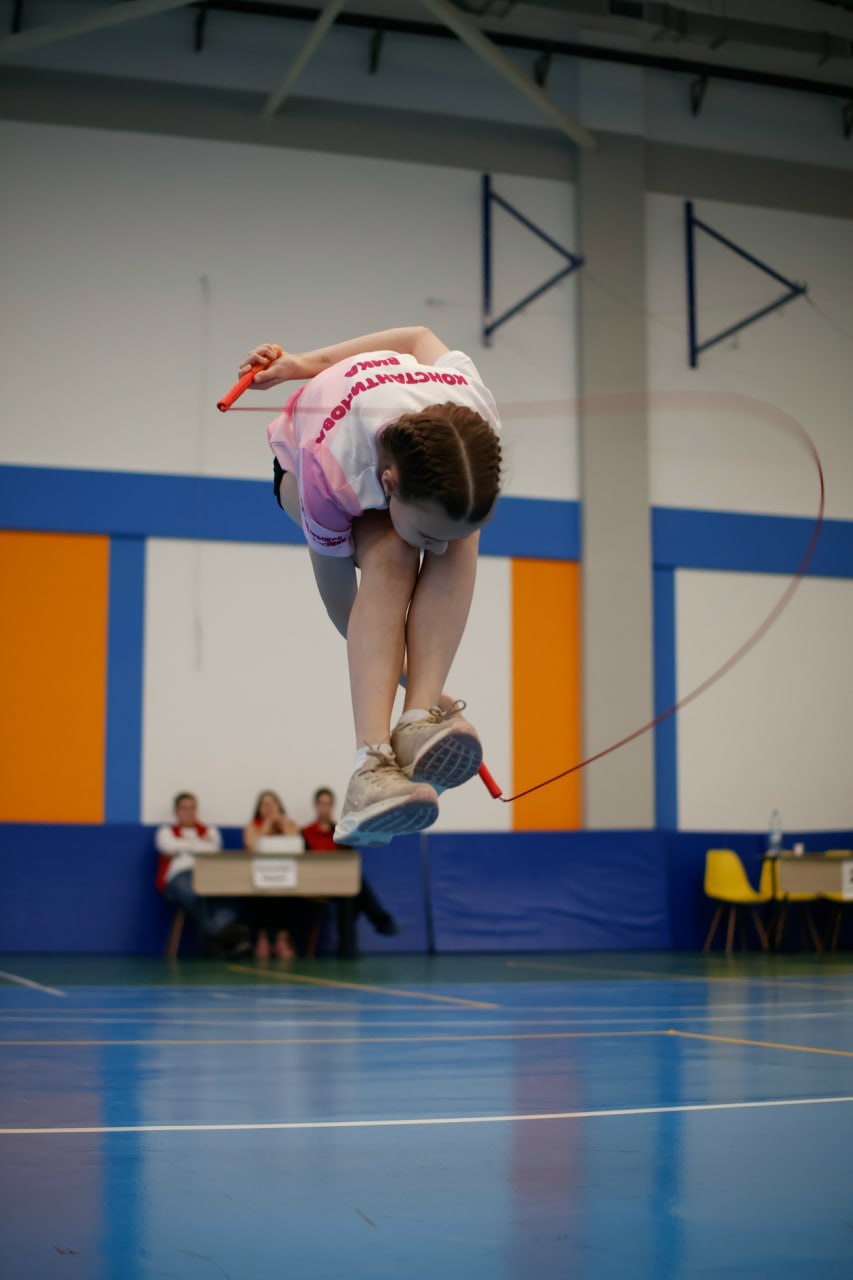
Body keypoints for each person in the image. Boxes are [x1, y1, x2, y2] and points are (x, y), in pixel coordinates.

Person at [237, 325, 502, 847]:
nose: (437, 552)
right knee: (392, 554)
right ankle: (371, 767)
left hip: (395, 441)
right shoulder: (332, 473)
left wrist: (300, 361)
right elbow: (345, 611)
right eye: (429, 534)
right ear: (388, 485)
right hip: (303, 463)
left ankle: (418, 720)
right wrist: (410, 676)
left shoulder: (474, 408)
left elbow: (418, 336)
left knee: (460, 533)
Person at [302, 786, 400, 959]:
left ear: (332, 806)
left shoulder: (341, 832)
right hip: (315, 884)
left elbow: (348, 862)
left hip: (338, 883)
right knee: (354, 885)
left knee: (350, 889)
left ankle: (348, 948)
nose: (324, 808)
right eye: (321, 804)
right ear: (316, 806)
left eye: (328, 804)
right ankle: (380, 920)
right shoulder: (305, 833)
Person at [155, 792, 250, 958]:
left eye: (192, 808)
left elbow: (214, 849)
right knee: (194, 892)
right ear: (176, 812)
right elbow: (167, 846)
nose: (189, 812)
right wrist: (200, 844)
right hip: (179, 877)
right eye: (184, 808)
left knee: (227, 892)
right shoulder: (166, 831)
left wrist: (183, 846)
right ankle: (227, 935)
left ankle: (219, 932)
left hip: (208, 874)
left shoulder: (210, 830)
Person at [243, 790, 305, 960]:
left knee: (290, 895)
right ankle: (262, 939)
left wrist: (281, 824)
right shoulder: (252, 826)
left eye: (272, 803)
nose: (269, 807)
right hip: (259, 876)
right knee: (259, 895)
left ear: (279, 806)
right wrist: (267, 824)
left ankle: (282, 939)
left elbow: (297, 844)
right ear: (258, 808)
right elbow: (251, 845)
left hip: (286, 874)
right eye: (264, 804)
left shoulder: (290, 824)